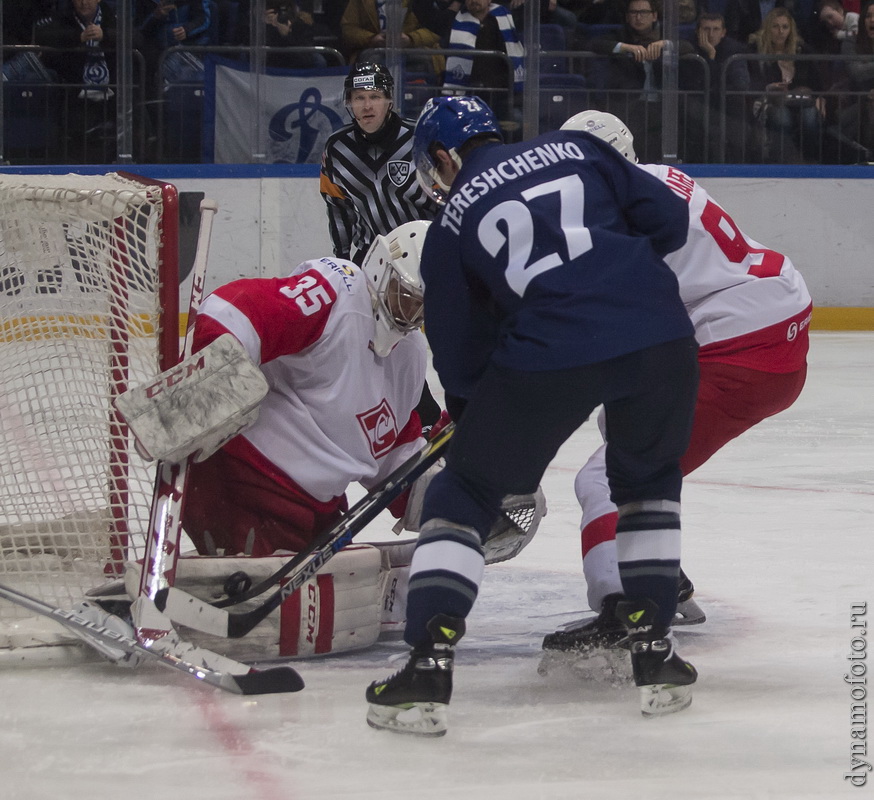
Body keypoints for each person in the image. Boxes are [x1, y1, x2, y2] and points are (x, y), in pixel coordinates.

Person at [365, 94, 701, 737]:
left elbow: (461, 358)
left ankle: (427, 668)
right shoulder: (581, 148)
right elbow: (671, 220)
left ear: (443, 157)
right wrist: (614, 275)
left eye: (431, 170)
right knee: (648, 483)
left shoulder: (451, 225)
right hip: (661, 336)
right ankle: (655, 655)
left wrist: (474, 421)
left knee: (464, 491)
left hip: (549, 352)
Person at [541, 110, 812, 658]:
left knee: (606, 476)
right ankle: (664, 578)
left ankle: (625, 610)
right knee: (620, 427)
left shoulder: (616, 218)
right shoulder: (659, 180)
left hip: (742, 349)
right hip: (770, 325)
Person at [180, 224, 431, 560]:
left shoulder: (410, 353)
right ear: (382, 266)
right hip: (242, 484)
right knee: (285, 607)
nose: (413, 316)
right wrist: (210, 377)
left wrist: (443, 499)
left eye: (424, 308)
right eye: (407, 297)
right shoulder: (338, 291)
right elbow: (239, 310)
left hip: (315, 512)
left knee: (355, 597)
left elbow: (391, 448)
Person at [587, 0, 694, 161]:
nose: (638, 17)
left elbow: (689, 46)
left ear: (654, 16)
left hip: (662, 104)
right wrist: (625, 47)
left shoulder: (666, 34)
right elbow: (594, 44)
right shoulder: (621, 36)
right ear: (627, 17)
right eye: (633, 13)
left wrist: (666, 44)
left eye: (643, 13)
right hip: (631, 104)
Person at [34, 0, 128, 163]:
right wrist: (78, 37)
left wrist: (105, 35)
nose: (84, 3)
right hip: (76, 92)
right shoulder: (63, 18)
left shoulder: (113, 18)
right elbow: (43, 34)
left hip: (112, 93)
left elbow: (137, 37)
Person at [750, 7, 826, 162]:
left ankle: (811, 161)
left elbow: (817, 82)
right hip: (770, 101)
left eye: (785, 27)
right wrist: (768, 88)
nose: (780, 31)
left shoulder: (802, 50)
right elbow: (752, 81)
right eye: (775, 26)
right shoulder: (755, 50)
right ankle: (782, 161)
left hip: (801, 101)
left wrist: (819, 98)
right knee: (782, 118)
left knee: (810, 118)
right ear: (768, 28)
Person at [442, 0, 525, 129]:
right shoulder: (454, 21)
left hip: (502, 94)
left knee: (518, 124)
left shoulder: (503, 18)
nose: (473, 1)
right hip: (467, 93)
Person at [683, 12, 752, 161]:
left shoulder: (735, 50)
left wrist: (711, 56)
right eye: (706, 29)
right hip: (698, 106)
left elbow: (739, 83)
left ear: (723, 32)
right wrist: (711, 56)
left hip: (726, 107)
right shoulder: (689, 48)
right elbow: (695, 83)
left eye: (716, 29)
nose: (711, 34)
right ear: (698, 32)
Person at [339, 0, 440, 65]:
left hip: (412, 49)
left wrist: (410, 39)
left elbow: (436, 31)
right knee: (373, 59)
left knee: (425, 60)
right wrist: (372, 38)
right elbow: (348, 29)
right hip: (373, 50)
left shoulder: (421, 3)